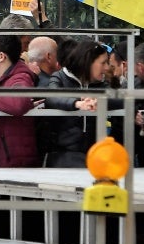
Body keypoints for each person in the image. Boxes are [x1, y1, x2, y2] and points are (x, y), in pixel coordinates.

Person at [38, 39, 111, 168]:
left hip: (94, 154)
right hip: (62, 157)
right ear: (88, 62)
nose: (107, 67)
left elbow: (120, 97)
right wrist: (77, 103)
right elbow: (52, 96)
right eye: (103, 63)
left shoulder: (100, 84)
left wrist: (99, 99)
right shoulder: (59, 77)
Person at [0, 33, 40, 167]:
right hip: (7, 157)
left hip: (13, 161)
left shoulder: (21, 77)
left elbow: (19, 103)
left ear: (1, 56)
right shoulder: (4, 78)